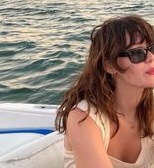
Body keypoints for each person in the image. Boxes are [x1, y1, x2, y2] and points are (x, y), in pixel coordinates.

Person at [55, 15, 154, 168]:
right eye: (136, 53)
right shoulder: (83, 119)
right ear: (109, 66)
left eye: (153, 49)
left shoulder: (150, 108)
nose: (151, 58)